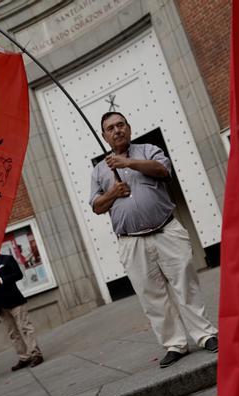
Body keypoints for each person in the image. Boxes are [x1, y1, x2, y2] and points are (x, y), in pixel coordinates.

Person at [90, 112, 218, 368]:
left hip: (165, 230)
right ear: (104, 136)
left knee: (185, 284)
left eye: (120, 125)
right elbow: (96, 206)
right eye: (110, 128)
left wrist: (128, 164)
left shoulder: (148, 150)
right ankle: (175, 344)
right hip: (131, 242)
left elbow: (163, 170)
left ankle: (205, 335)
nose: (117, 131)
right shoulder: (99, 171)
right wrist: (113, 193)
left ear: (128, 127)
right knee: (152, 296)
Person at [0, 253, 43, 371]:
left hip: (14, 301)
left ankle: (36, 354)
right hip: (0, 305)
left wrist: (1, 280)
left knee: (25, 328)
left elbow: (18, 275)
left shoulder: (6, 259)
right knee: (13, 334)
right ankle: (24, 357)